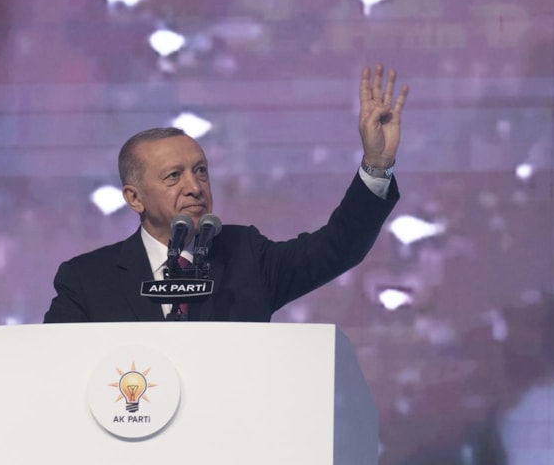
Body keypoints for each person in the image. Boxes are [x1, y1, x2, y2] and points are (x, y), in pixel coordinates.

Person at [44, 65, 409, 322]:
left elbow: (339, 247)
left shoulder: (246, 257)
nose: (194, 187)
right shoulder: (87, 279)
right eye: (174, 176)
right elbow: (55, 372)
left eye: (200, 171)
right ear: (134, 198)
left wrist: (377, 165)